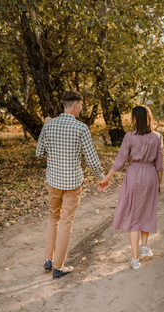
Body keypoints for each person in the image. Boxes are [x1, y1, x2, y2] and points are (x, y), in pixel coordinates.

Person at [36, 91, 105, 278]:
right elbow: (91, 158)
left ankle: (48, 260)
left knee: (53, 218)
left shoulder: (49, 126)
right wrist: (100, 177)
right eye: (81, 105)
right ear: (75, 105)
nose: (82, 108)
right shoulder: (81, 128)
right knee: (66, 222)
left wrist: (45, 127)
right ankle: (58, 267)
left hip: (54, 181)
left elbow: (39, 153)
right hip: (73, 183)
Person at [98, 105, 164, 270]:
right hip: (150, 175)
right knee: (147, 210)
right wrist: (159, 183)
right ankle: (144, 247)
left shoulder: (129, 137)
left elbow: (119, 161)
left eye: (132, 117)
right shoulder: (157, 137)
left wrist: (106, 179)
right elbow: (160, 165)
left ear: (136, 119)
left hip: (134, 175)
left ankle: (135, 260)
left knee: (134, 215)